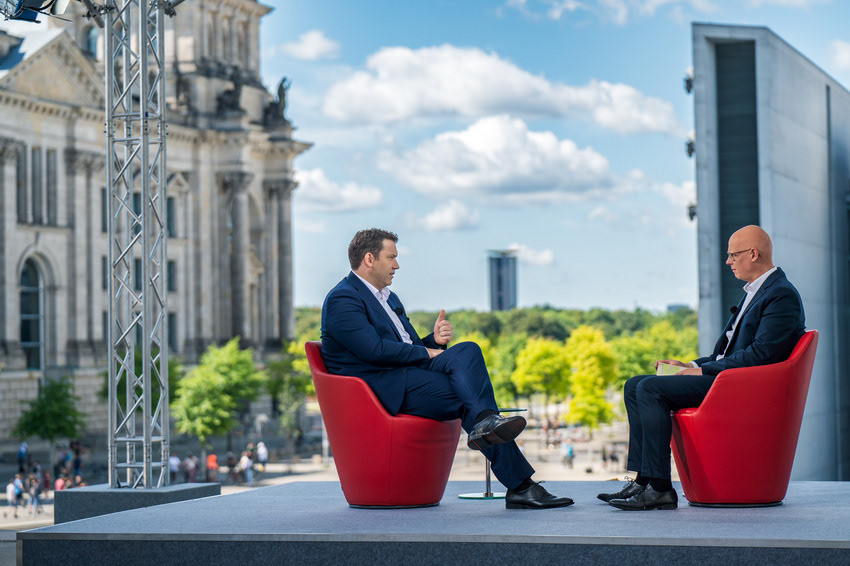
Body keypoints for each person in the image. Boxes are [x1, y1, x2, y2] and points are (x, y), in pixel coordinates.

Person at [321, 228, 573, 509]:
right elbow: (374, 351)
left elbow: (410, 347)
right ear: (369, 259)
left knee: (468, 350)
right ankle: (520, 483)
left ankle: (491, 429)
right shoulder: (343, 299)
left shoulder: (389, 298)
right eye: (391, 257)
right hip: (381, 387)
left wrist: (433, 341)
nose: (397, 265)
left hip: (407, 375)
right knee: (467, 399)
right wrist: (427, 351)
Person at [600, 226, 805, 511]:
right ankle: (643, 480)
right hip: (727, 378)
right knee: (634, 384)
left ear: (753, 254)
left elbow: (762, 354)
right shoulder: (758, 292)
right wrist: (691, 365)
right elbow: (727, 353)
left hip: (739, 386)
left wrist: (704, 373)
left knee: (650, 388)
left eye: (733, 255)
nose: (728, 261)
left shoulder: (780, 294)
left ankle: (659, 489)